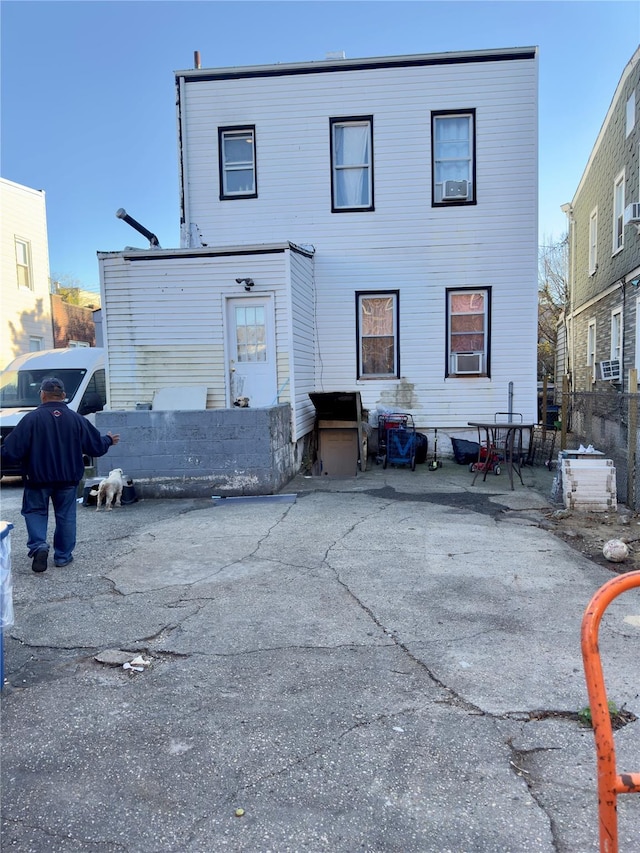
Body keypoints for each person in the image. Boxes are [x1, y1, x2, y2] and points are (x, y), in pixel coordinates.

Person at [0, 377, 120, 573]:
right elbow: (95, 446)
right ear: (63, 396)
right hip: (68, 479)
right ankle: (63, 556)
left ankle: (39, 546)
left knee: (35, 512)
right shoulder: (76, 419)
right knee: (66, 516)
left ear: (42, 394)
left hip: (37, 478)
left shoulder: (31, 419)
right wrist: (108, 440)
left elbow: (12, 450)